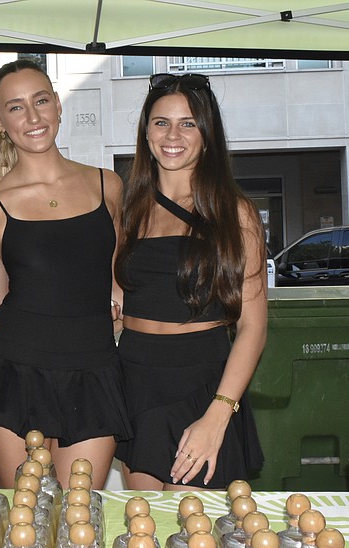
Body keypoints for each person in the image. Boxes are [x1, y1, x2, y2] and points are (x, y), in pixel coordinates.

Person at [0, 59, 131, 489]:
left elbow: (120, 280)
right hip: (13, 374)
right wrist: (26, 353)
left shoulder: (107, 185)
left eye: (40, 101)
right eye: (15, 107)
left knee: (80, 518)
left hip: (94, 369)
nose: (32, 117)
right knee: (23, 524)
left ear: (58, 106)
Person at [114, 73, 267, 491]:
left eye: (188, 123)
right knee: (144, 537)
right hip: (135, 381)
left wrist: (219, 414)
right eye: (161, 122)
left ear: (207, 133)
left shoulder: (235, 213)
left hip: (201, 384)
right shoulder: (128, 211)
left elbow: (253, 326)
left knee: (193, 539)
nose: (173, 135)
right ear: (146, 132)